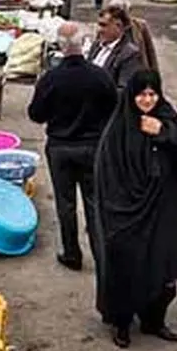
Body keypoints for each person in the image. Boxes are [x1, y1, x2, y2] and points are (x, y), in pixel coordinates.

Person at [93, 70, 177, 349]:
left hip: (163, 206)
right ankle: (122, 323)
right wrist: (120, 209)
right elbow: (107, 175)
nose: (147, 99)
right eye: (142, 94)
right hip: (126, 213)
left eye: (153, 93)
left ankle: (154, 321)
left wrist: (163, 132)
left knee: (165, 266)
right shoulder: (118, 128)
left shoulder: (166, 116)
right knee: (127, 269)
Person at [27, 23, 118, 271]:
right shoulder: (100, 76)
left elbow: (36, 114)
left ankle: (72, 253)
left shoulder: (51, 79)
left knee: (65, 203)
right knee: (94, 202)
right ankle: (102, 257)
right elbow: (114, 109)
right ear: (83, 43)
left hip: (60, 148)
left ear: (60, 45)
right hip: (93, 147)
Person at [88, 4, 142, 90]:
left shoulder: (130, 54)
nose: (99, 30)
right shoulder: (96, 46)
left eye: (104, 25)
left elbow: (124, 91)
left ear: (119, 26)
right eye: (99, 25)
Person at [107, 0, 159, 73]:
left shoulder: (140, 25)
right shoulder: (106, 28)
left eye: (124, 11)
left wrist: (154, 76)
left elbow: (150, 53)